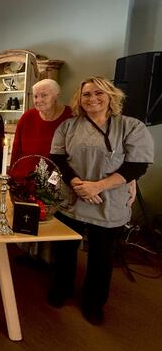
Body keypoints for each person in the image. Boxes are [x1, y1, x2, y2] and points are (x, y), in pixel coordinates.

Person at [48, 76, 154, 325]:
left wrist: (98, 186)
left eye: (99, 93)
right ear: (79, 99)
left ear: (111, 96)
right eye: (86, 94)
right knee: (63, 251)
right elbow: (58, 158)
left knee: (101, 256)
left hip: (108, 201)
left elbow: (136, 166)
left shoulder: (130, 126)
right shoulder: (68, 127)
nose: (93, 98)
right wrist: (77, 184)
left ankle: (93, 302)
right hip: (72, 197)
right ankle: (61, 289)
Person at [10, 79, 73, 176]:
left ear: (56, 96)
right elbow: (16, 150)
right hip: (24, 177)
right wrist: (12, 174)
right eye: (35, 96)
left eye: (44, 95)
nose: (38, 100)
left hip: (57, 178)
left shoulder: (70, 116)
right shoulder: (27, 117)